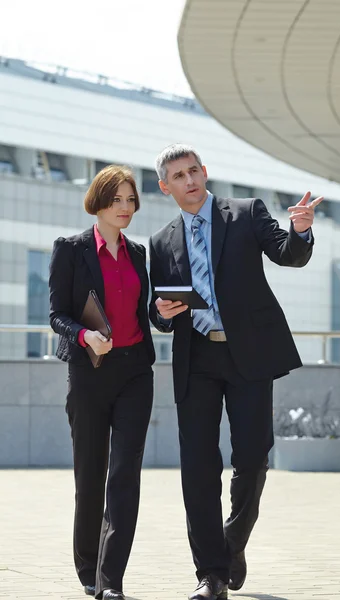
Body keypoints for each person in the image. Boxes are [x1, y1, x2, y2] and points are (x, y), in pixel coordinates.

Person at [149, 144, 323, 600]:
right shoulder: (161, 240)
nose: (189, 180)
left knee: (251, 458)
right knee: (198, 469)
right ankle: (211, 574)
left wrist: (300, 231)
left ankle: (232, 543)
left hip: (248, 355)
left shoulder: (245, 213)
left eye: (193, 171)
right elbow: (158, 305)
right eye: (178, 176)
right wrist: (162, 311)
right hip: (197, 358)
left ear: (204, 172)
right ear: (165, 186)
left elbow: (288, 254)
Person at [49, 165, 155, 600]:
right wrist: (83, 334)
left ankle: (111, 581)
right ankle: (87, 567)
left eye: (131, 200)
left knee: (124, 475)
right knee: (90, 476)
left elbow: (144, 314)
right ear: (100, 201)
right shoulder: (71, 249)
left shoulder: (138, 254)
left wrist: (165, 313)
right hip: (89, 371)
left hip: (134, 372)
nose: (125, 208)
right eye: (118, 199)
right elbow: (56, 314)